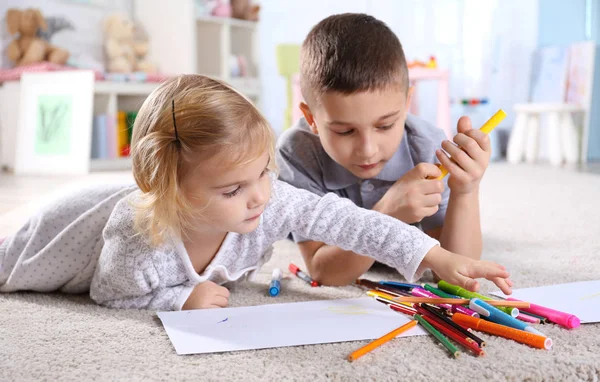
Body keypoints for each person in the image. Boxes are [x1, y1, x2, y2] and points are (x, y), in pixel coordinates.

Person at [0, 74, 511, 311]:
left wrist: (433, 254)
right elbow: (109, 292)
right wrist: (181, 298)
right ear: (173, 194)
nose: (260, 197)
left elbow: (348, 221)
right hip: (53, 235)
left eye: (264, 172)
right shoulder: (141, 241)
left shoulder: (268, 196)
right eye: (233, 189)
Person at [277, 14, 495, 286]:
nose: (367, 150)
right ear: (312, 120)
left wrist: (466, 190)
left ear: (406, 104)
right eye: (345, 131)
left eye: (385, 125)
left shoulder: (427, 146)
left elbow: (455, 271)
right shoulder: (297, 153)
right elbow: (324, 272)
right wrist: (387, 212)